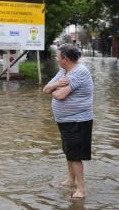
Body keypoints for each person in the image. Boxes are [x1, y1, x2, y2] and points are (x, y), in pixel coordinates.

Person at [43, 44, 93, 198]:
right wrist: (57, 85)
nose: (56, 59)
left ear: (65, 58)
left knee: (76, 155)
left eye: (58, 56)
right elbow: (46, 89)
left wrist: (54, 90)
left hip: (77, 120)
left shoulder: (79, 72)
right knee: (69, 152)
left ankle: (81, 190)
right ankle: (71, 179)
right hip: (65, 120)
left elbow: (59, 96)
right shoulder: (64, 71)